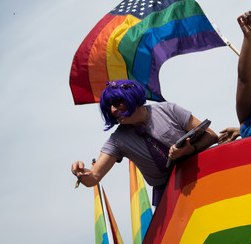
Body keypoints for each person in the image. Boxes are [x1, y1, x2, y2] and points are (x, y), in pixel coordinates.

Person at [70, 79, 218, 206]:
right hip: (168, 196)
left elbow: (211, 135)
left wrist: (189, 150)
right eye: (109, 107)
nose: (113, 110)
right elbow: (93, 178)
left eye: (116, 103)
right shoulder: (117, 140)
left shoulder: (168, 110)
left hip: (204, 177)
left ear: (131, 97)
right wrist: (80, 172)